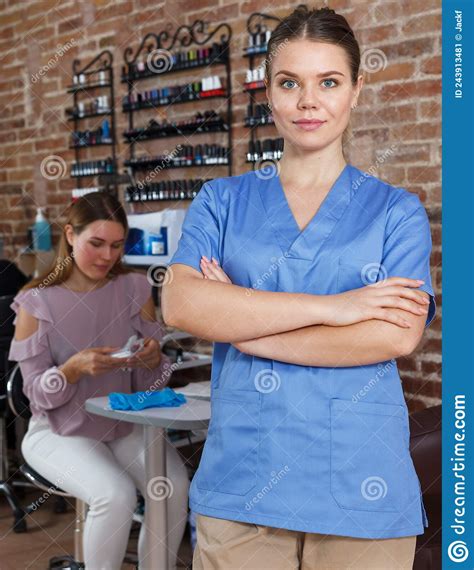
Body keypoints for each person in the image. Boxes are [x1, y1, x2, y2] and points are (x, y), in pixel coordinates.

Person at [162, 6, 436, 570]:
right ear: (269, 92)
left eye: (329, 82)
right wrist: (338, 309)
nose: (309, 102)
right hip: (244, 480)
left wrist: (247, 328)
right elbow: (182, 303)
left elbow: (394, 336)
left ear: (357, 90)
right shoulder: (221, 201)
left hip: (361, 483)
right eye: (290, 83)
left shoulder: (396, 213)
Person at [9, 192, 189, 570]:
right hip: (57, 431)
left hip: (122, 423)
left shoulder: (136, 289)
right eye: (97, 244)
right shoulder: (35, 302)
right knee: (115, 494)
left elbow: (147, 385)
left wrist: (154, 360)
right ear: (71, 235)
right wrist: (70, 371)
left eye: (117, 245)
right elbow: (35, 396)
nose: (108, 256)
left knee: (172, 486)